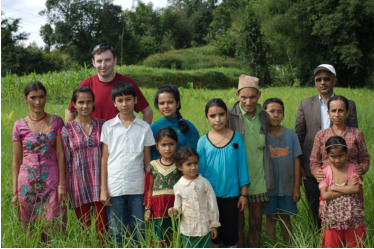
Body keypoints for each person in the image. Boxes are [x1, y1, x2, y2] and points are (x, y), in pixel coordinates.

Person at [295, 64, 358, 226]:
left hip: (343, 168)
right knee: (315, 208)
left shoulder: (347, 104)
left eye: (327, 79)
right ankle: (319, 238)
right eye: (319, 79)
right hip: (313, 168)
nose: (322, 82)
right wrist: (301, 165)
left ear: (334, 80)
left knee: (344, 207)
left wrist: (356, 167)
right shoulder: (305, 104)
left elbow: (354, 136)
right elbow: (299, 137)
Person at [99, 82, 155, 246]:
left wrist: (149, 192)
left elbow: (147, 163)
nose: (124, 104)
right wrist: (103, 189)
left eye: (128, 99)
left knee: (139, 230)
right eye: (120, 100)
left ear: (135, 100)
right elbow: (104, 159)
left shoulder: (144, 127)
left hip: (137, 188)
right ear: (114, 103)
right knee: (116, 231)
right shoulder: (108, 126)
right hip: (114, 188)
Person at [12, 81, 66, 240]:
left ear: (46, 97)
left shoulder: (56, 121)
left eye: (41, 97)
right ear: (25, 99)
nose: (38, 102)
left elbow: (60, 154)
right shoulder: (19, 125)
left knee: (54, 223)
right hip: (27, 183)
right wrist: (15, 191)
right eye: (33, 97)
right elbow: (16, 161)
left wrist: (62, 184)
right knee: (31, 228)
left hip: (52, 182)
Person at [227, 74, 272, 247]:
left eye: (252, 97)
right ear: (237, 95)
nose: (248, 101)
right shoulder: (230, 115)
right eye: (244, 97)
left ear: (259, 95)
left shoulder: (264, 116)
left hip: (258, 175)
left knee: (255, 221)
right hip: (236, 177)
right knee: (237, 222)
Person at [198, 98, 249, 248]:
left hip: (231, 196)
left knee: (231, 237)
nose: (218, 119)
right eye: (212, 116)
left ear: (227, 115)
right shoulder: (203, 141)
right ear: (207, 118)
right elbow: (199, 172)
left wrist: (244, 194)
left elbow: (242, 166)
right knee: (214, 237)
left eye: (221, 114)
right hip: (209, 198)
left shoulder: (237, 138)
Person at [61, 87, 107, 245]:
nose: (85, 106)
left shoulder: (103, 126)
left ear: (93, 103)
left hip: (100, 186)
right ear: (74, 104)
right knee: (85, 231)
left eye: (88, 102)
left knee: (103, 230)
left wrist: (106, 186)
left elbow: (108, 156)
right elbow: (66, 160)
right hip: (78, 186)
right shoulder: (67, 129)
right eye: (81, 102)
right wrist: (66, 187)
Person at [65, 43, 153, 123]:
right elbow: (70, 113)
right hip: (94, 138)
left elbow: (147, 112)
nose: (103, 65)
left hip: (121, 138)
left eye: (107, 60)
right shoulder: (86, 85)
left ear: (115, 60)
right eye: (99, 61)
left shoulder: (127, 83)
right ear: (93, 62)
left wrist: (141, 134)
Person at [309, 96, 370, 197]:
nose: (337, 114)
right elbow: (314, 160)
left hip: (352, 184)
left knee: (352, 211)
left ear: (347, 112)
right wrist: (316, 172)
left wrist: (362, 168)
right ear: (328, 113)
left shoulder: (356, 133)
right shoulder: (321, 135)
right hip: (328, 186)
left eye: (341, 110)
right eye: (333, 111)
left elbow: (365, 158)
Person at [261, 98, 302, 242]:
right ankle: (271, 243)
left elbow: (296, 161)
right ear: (264, 114)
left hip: (287, 187)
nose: (276, 115)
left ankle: (288, 244)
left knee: (285, 218)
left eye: (279, 112)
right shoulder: (261, 136)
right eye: (272, 111)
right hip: (267, 188)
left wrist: (296, 188)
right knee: (270, 218)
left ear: (283, 115)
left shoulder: (291, 135)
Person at [319, 136, 366, 248]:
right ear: (327, 155)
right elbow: (325, 195)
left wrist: (333, 188)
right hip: (332, 219)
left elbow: (355, 189)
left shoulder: (353, 169)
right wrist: (347, 189)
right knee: (332, 245)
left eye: (341, 156)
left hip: (353, 218)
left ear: (347, 153)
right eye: (333, 156)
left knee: (355, 244)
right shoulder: (325, 172)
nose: (337, 160)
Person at [168, 147, 220, 248]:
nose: (193, 167)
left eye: (195, 163)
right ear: (180, 167)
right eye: (189, 164)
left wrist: (214, 224)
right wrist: (173, 211)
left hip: (204, 229)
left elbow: (212, 205)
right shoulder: (178, 186)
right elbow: (178, 208)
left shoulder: (204, 183)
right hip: (188, 231)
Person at [144, 127, 181, 245]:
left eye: (171, 144)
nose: (167, 148)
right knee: (160, 237)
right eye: (163, 145)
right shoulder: (153, 166)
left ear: (176, 144)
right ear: (157, 146)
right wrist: (148, 208)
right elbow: (148, 189)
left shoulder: (180, 165)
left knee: (176, 235)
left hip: (175, 206)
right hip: (157, 207)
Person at [151, 85, 200, 160]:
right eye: (162, 103)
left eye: (170, 102)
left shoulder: (188, 126)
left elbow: (196, 152)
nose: (166, 106)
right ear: (158, 105)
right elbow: (150, 155)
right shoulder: (153, 128)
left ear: (177, 104)